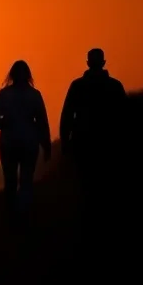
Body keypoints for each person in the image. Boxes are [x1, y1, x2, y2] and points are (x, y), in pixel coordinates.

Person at [59, 48, 127, 229]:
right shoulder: (114, 86)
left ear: (88, 63)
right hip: (107, 143)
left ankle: (89, 220)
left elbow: (67, 116)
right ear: (103, 63)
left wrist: (65, 142)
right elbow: (125, 118)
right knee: (105, 183)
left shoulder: (78, 86)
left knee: (87, 183)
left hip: (86, 142)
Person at [0, 60, 52, 220]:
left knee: (12, 179)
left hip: (11, 142)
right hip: (26, 142)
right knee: (24, 179)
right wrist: (46, 144)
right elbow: (42, 122)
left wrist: (1, 124)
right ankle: (21, 213)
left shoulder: (6, 94)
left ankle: (14, 214)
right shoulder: (33, 95)